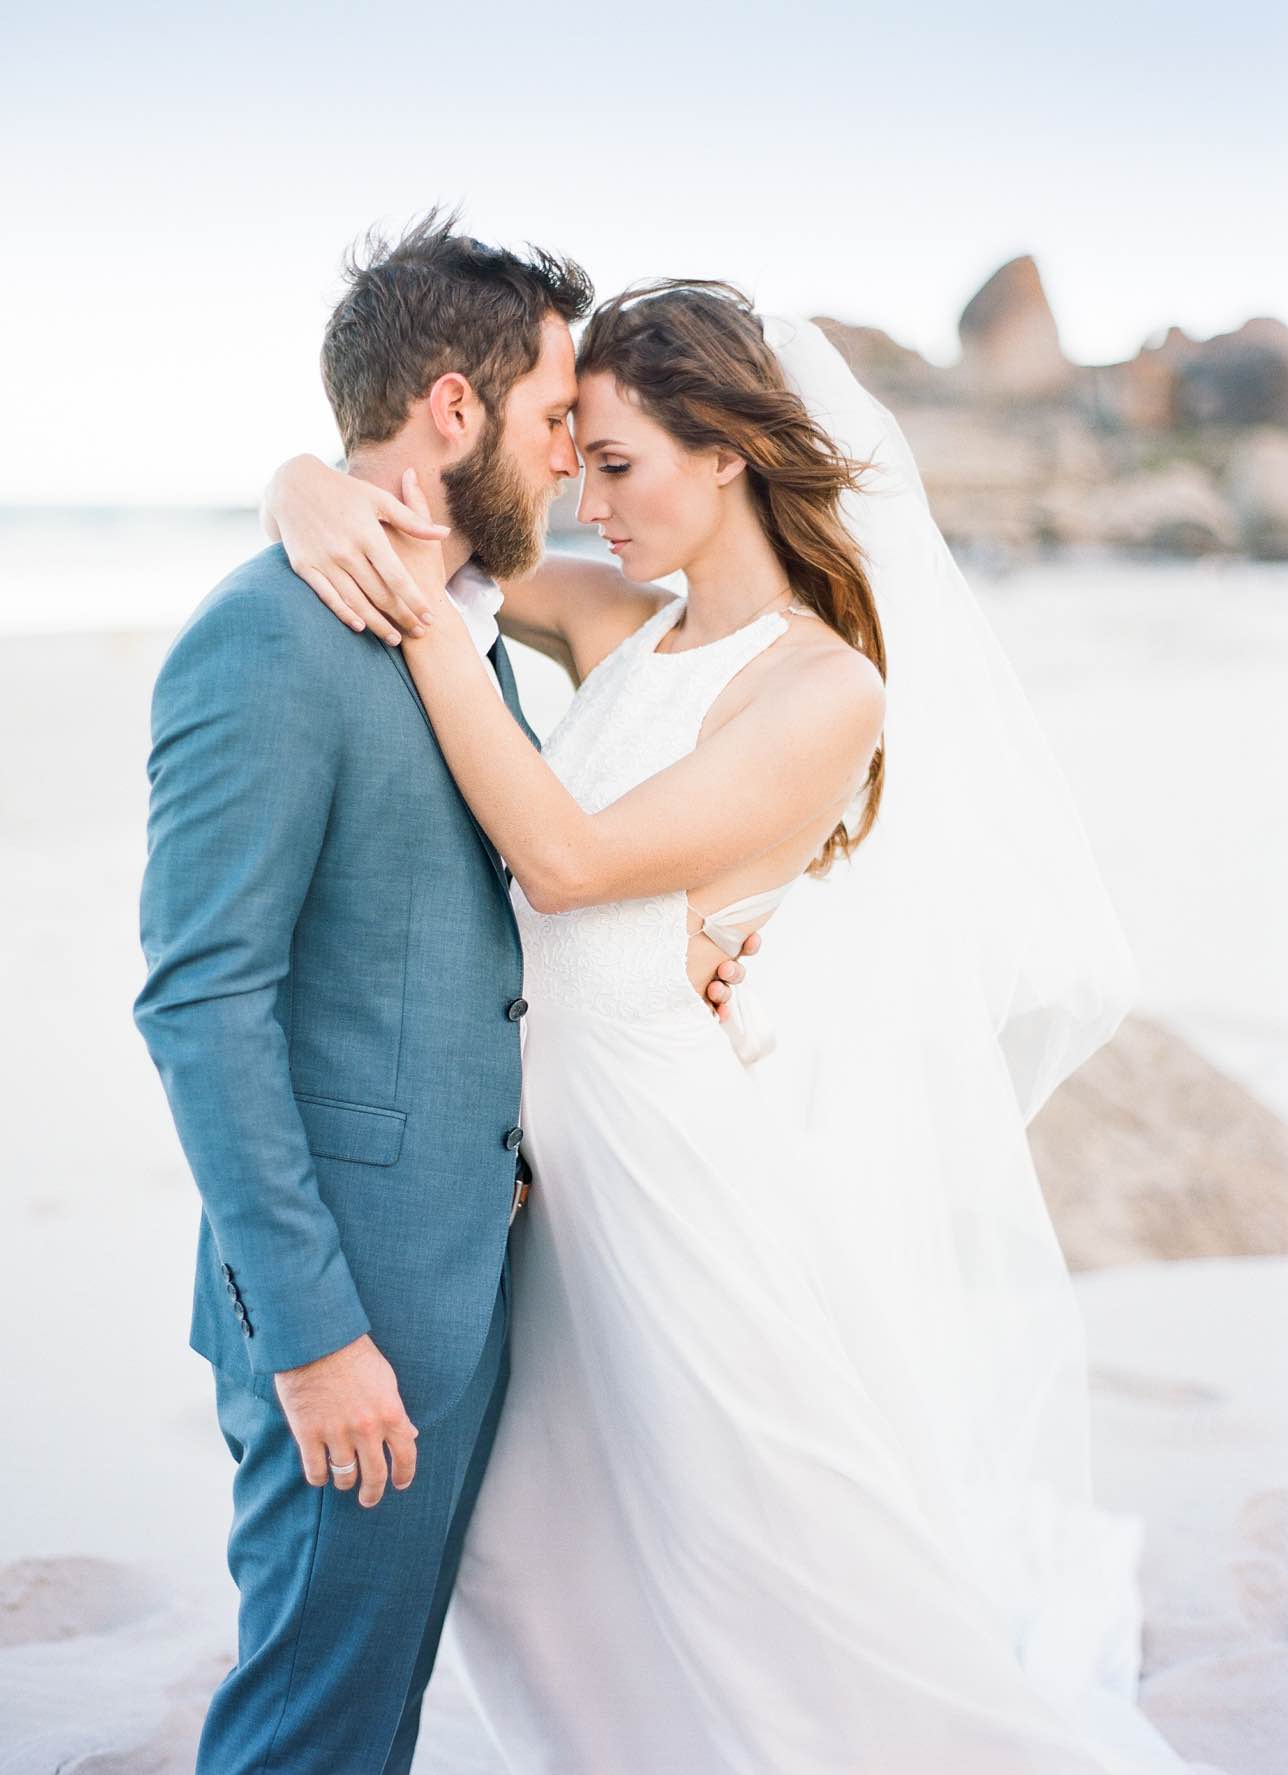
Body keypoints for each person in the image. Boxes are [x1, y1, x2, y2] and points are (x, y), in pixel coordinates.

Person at [266, 259, 1222, 1771]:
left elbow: (568, 861)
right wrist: (300, 485)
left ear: (729, 453)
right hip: (541, 1181)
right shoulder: (619, 623)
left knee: (765, 1572)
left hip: (664, 1174)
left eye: (621, 464)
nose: (584, 501)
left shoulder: (827, 688)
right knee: (539, 1557)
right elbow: (436, 546)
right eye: (575, 457)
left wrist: (439, 642)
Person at [132, 214, 753, 1775]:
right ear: (456, 411)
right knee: (310, 1725)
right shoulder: (262, 640)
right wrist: (316, 1334)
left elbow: (480, 940)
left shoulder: (483, 642)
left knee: (372, 1707)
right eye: (557, 421)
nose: (568, 464)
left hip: (462, 1281)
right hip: (351, 1317)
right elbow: (202, 1002)